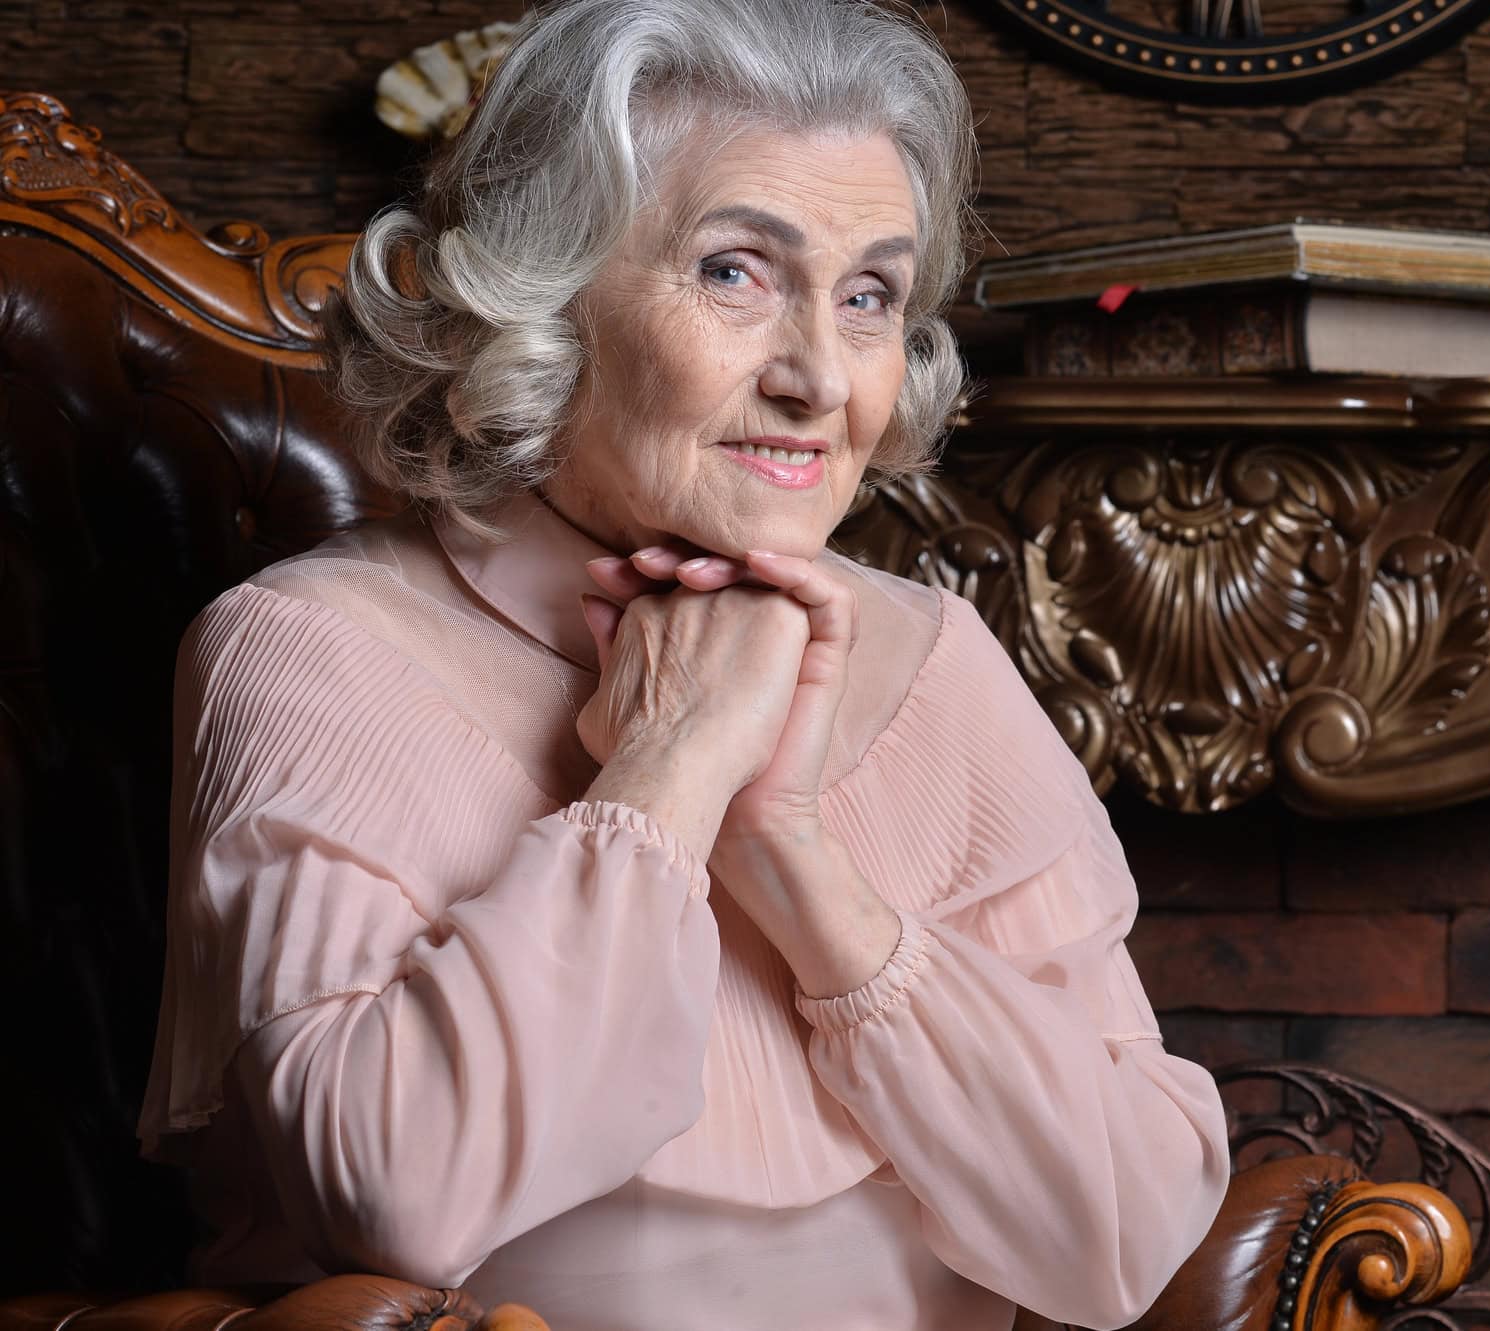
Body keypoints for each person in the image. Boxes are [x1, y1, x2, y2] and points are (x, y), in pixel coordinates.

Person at [136, 1, 1231, 1327]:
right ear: (540, 296)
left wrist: (797, 865)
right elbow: (401, 1203)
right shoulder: (313, 651)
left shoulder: (941, 656)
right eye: (735, 271)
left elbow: (1122, 1243)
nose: (822, 379)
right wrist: (665, 774)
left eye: (870, 294)